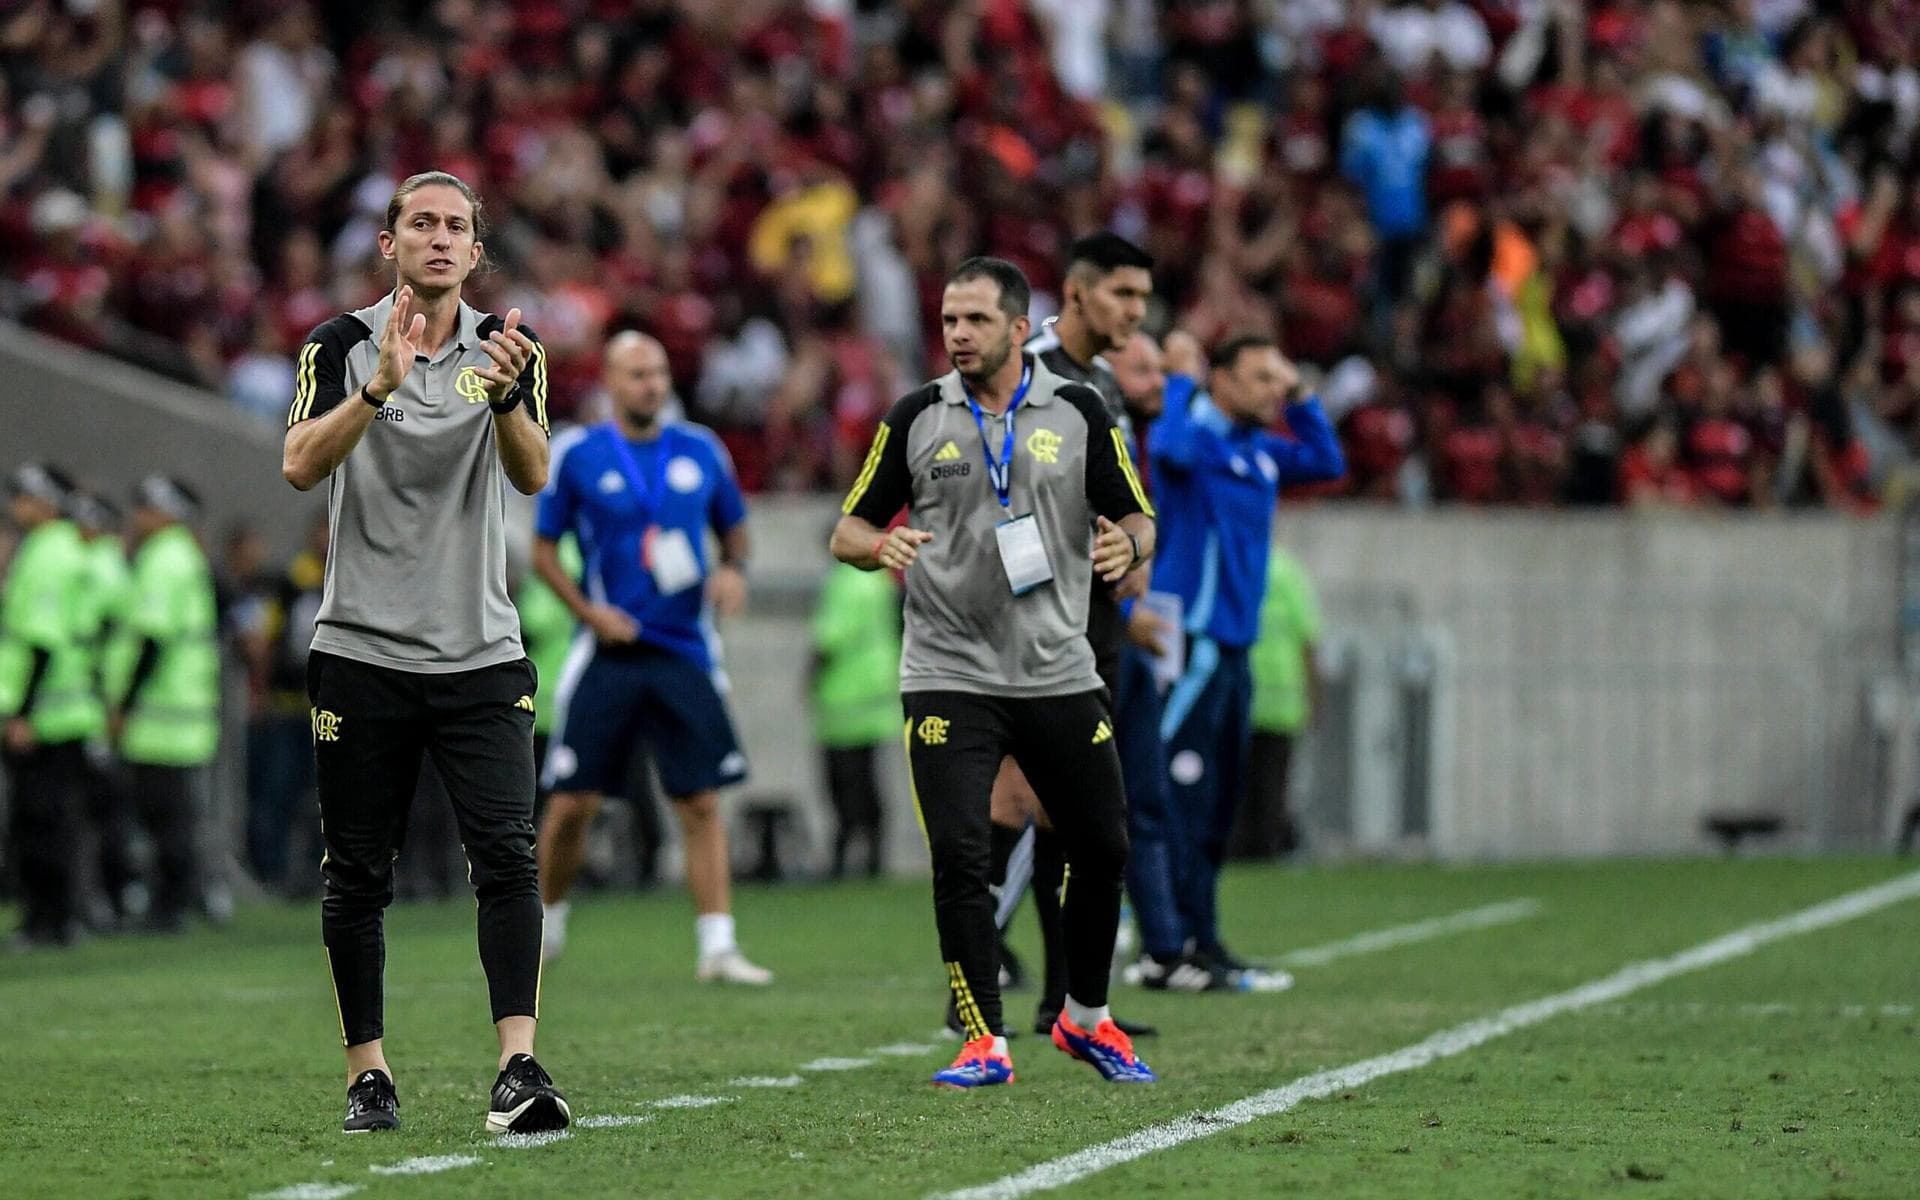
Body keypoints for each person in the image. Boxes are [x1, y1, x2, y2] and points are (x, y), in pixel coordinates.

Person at [280, 170, 568, 1135]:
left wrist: (507, 399)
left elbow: (532, 478)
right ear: (389, 243)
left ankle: (519, 1066)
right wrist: (377, 392)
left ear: (476, 253)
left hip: (481, 651)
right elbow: (298, 464)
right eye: (422, 224)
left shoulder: (511, 348)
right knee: (358, 870)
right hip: (361, 649)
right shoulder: (339, 344)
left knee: (508, 857)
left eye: (456, 227)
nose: (439, 239)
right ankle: (369, 1073)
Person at [831, 256, 1159, 1087]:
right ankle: (984, 1038)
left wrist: (1129, 542)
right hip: (948, 671)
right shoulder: (916, 417)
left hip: (1056, 667)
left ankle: (1085, 1018)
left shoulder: (1080, 409)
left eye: (976, 320)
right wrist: (880, 546)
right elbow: (847, 529)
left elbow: (1136, 513)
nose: (958, 335)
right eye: (947, 320)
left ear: (1020, 329)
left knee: (1105, 843)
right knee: (959, 849)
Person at [532, 331, 771, 985]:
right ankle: (546, 926)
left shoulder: (700, 448)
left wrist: (735, 568)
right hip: (609, 650)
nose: (652, 385)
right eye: (638, 374)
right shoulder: (578, 454)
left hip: (686, 649)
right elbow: (543, 552)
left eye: (660, 373)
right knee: (572, 801)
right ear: (610, 381)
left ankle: (717, 946)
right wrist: (589, 613)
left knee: (699, 802)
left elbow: (736, 527)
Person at [979, 233, 1166, 1035]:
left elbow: (1111, 490)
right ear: (1078, 293)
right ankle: (975, 975)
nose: (1136, 311)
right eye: (1124, 295)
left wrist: (1132, 549)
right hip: (1037, 610)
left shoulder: (1100, 385)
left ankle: (1066, 999)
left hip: (1092, 611)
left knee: (1074, 810)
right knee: (1028, 797)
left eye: (1143, 297)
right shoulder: (1032, 369)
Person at [1151, 332, 1345, 985]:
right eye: (1260, 378)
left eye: (1277, 378)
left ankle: (1202, 940)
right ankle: (1162, 940)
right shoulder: (1197, 442)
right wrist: (1181, 380)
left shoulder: (1256, 453)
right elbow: (1167, 450)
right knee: (1174, 794)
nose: (1273, 389)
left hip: (1236, 650)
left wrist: (1301, 394)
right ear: (1223, 382)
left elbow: (1327, 461)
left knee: (1217, 805)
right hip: (1196, 646)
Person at [102, 476, 218, 933]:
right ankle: (177, 901)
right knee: (172, 817)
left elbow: (152, 639)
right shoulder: (180, 555)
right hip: (177, 714)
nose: (138, 516)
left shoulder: (164, 559)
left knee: (166, 818)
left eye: (147, 508)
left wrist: (123, 704)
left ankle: (170, 907)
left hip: (163, 716)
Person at [1, 463, 102, 948]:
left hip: (48, 714)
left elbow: (41, 643)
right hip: (62, 709)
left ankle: (50, 921)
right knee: (51, 820)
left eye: (22, 497)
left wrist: (22, 714)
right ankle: (54, 918)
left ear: (44, 503)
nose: (15, 506)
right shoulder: (63, 547)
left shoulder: (47, 554)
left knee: (41, 822)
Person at [808, 559, 902, 879]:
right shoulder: (881, 580)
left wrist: (810, 678)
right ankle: (875, 854)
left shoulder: (845, 581)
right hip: (877, 689)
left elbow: (830, 638)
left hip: (844, 695)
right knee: (870, 778)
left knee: (843, 782)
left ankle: (843, 855)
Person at [1234, 544, 1322, 860]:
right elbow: (1309, 641)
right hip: (1283, 701)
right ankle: (1266, 848)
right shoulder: (1289, 573)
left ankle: (1239, 847)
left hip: (1246, 697)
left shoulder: (1239, 562)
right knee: (1272, 784)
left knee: (1239, 783)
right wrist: (1314, 697)